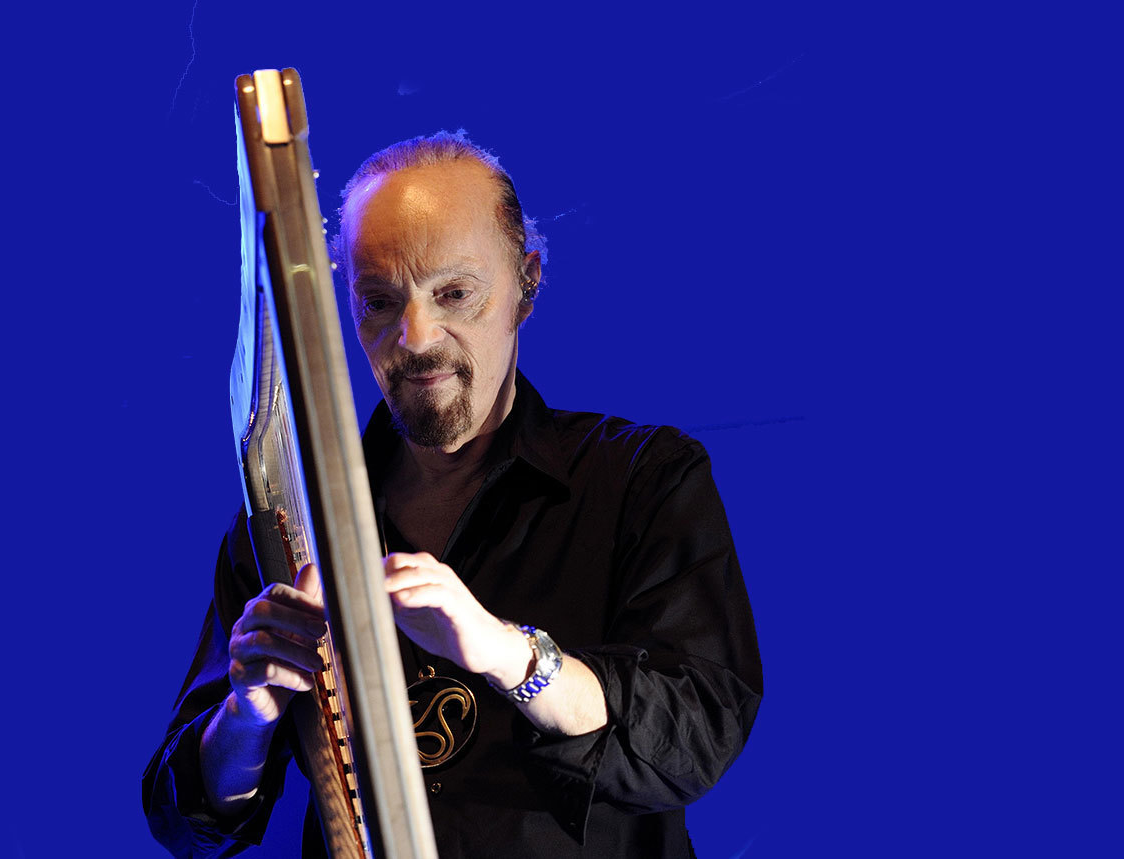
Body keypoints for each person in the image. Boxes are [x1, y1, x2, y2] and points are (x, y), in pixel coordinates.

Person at [144, 131, 762, 858]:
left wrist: (509, 655)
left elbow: (700, 732)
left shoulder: (644, 477)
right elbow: (187, 821)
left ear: (526, 283)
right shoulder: (285, 531)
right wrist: (247, 716)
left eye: (454, 293)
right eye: (379, 300)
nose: (414, 337)